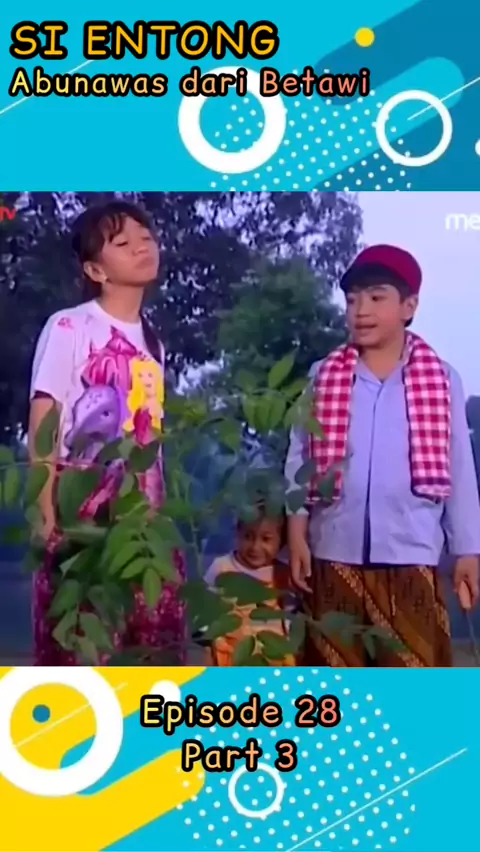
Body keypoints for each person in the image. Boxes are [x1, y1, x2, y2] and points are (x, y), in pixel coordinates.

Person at [285, 244, 480, 668]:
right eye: (352, 300)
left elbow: (460, 468)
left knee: (409, 681)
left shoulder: (442, 379)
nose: (361, 310)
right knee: (335, 680)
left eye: (376, 297)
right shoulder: (323, 375)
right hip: (333, 550)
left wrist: (467, 550)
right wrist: (297, 531)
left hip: (411, 554)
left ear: (409, 306)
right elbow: (299, 457)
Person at [28, 200, 185, 665]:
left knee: (151, 653)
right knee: (82, 651)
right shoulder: (69, 325)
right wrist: (43, 512)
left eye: (146, 237)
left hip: (143, 520)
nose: (142, 246)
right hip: (82, 516)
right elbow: (46, 420)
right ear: (96, 269)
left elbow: (151, 441)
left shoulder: (154, 342)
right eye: (123, 242)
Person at [203, 509, 297, 666]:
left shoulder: (283, 574)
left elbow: (289, 617)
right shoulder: (221, 567)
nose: (255, 547)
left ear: (281, 542)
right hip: (230, 653)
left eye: (266, 539)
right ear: (237, 534)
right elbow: (205, 608)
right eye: (248, 536)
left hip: (272, 655)